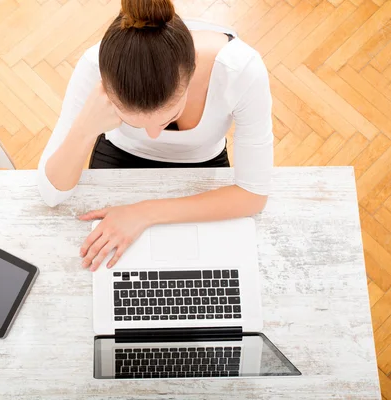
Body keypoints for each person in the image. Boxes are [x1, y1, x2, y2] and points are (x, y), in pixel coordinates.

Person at [37, 0, 273, 271]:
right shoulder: (95, 65)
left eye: (168, 119)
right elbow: (51, 194)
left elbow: (253, 194)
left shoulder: (241, 70)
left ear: (192, 72)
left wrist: (144, 212)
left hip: (202, 166)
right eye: (130, 121)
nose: (152, 135)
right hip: (118, 156)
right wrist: (84, 129)